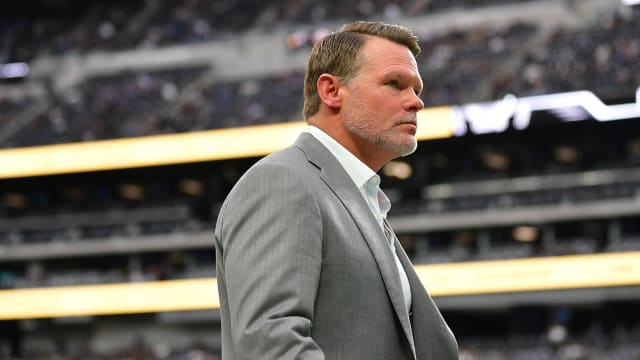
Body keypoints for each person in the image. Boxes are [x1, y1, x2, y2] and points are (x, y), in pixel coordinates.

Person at [214, 21, 458, 359]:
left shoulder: (358, 197)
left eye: (416, 90)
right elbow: (270, 345)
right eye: (394, 84)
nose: (415, 102)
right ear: (331, 91)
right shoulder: (282, 183)